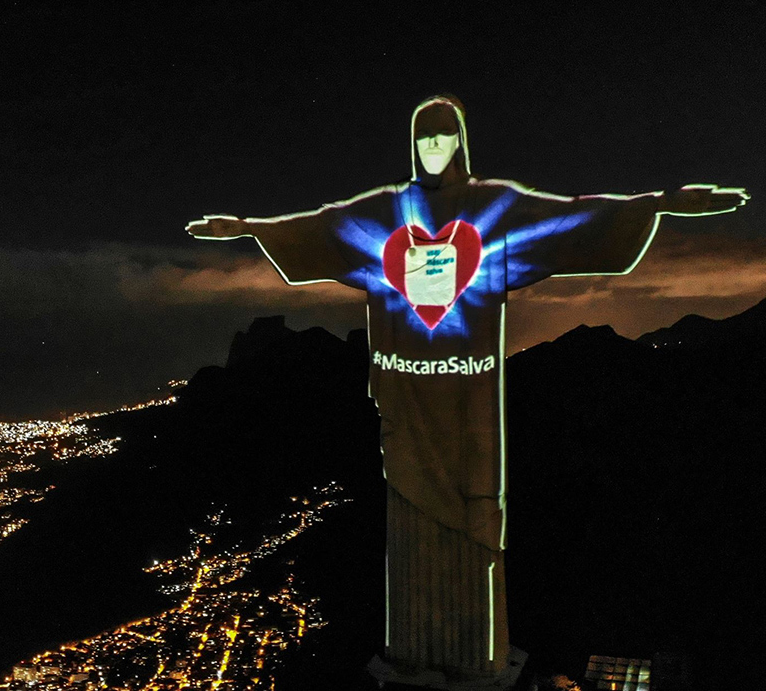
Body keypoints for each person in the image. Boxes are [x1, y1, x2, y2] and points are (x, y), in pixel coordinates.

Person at [186, 95, 748, 687]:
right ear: (413, 145)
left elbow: (571, 219)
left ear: (459, 143)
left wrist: (657, 204)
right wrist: (248, 229)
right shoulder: (386, 214)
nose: (433, 150)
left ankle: (472, 653)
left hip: (469, 396)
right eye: (423, 140)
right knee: (407, 505)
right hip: (405, 393)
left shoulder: (492, 209)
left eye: (442, 139)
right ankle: (414, 654)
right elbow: (323, 226)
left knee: (475, 512)